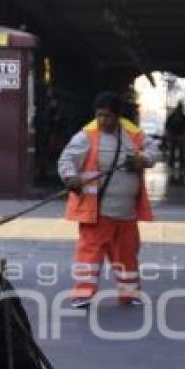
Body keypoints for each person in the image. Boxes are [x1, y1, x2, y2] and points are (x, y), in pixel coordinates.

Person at [57, 91, 159, 308]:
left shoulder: (132, 132)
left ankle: (129, 294)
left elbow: (153, 150)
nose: (103, 120)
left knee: (127, 255)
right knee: (89, 254)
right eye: (100, 115)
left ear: (118, 116)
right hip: (97, 212)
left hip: (126, 213)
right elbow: (67, 159)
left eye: (108, 116)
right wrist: (70, 177)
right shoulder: (87, 135)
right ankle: (82, 294)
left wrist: (143, 159)